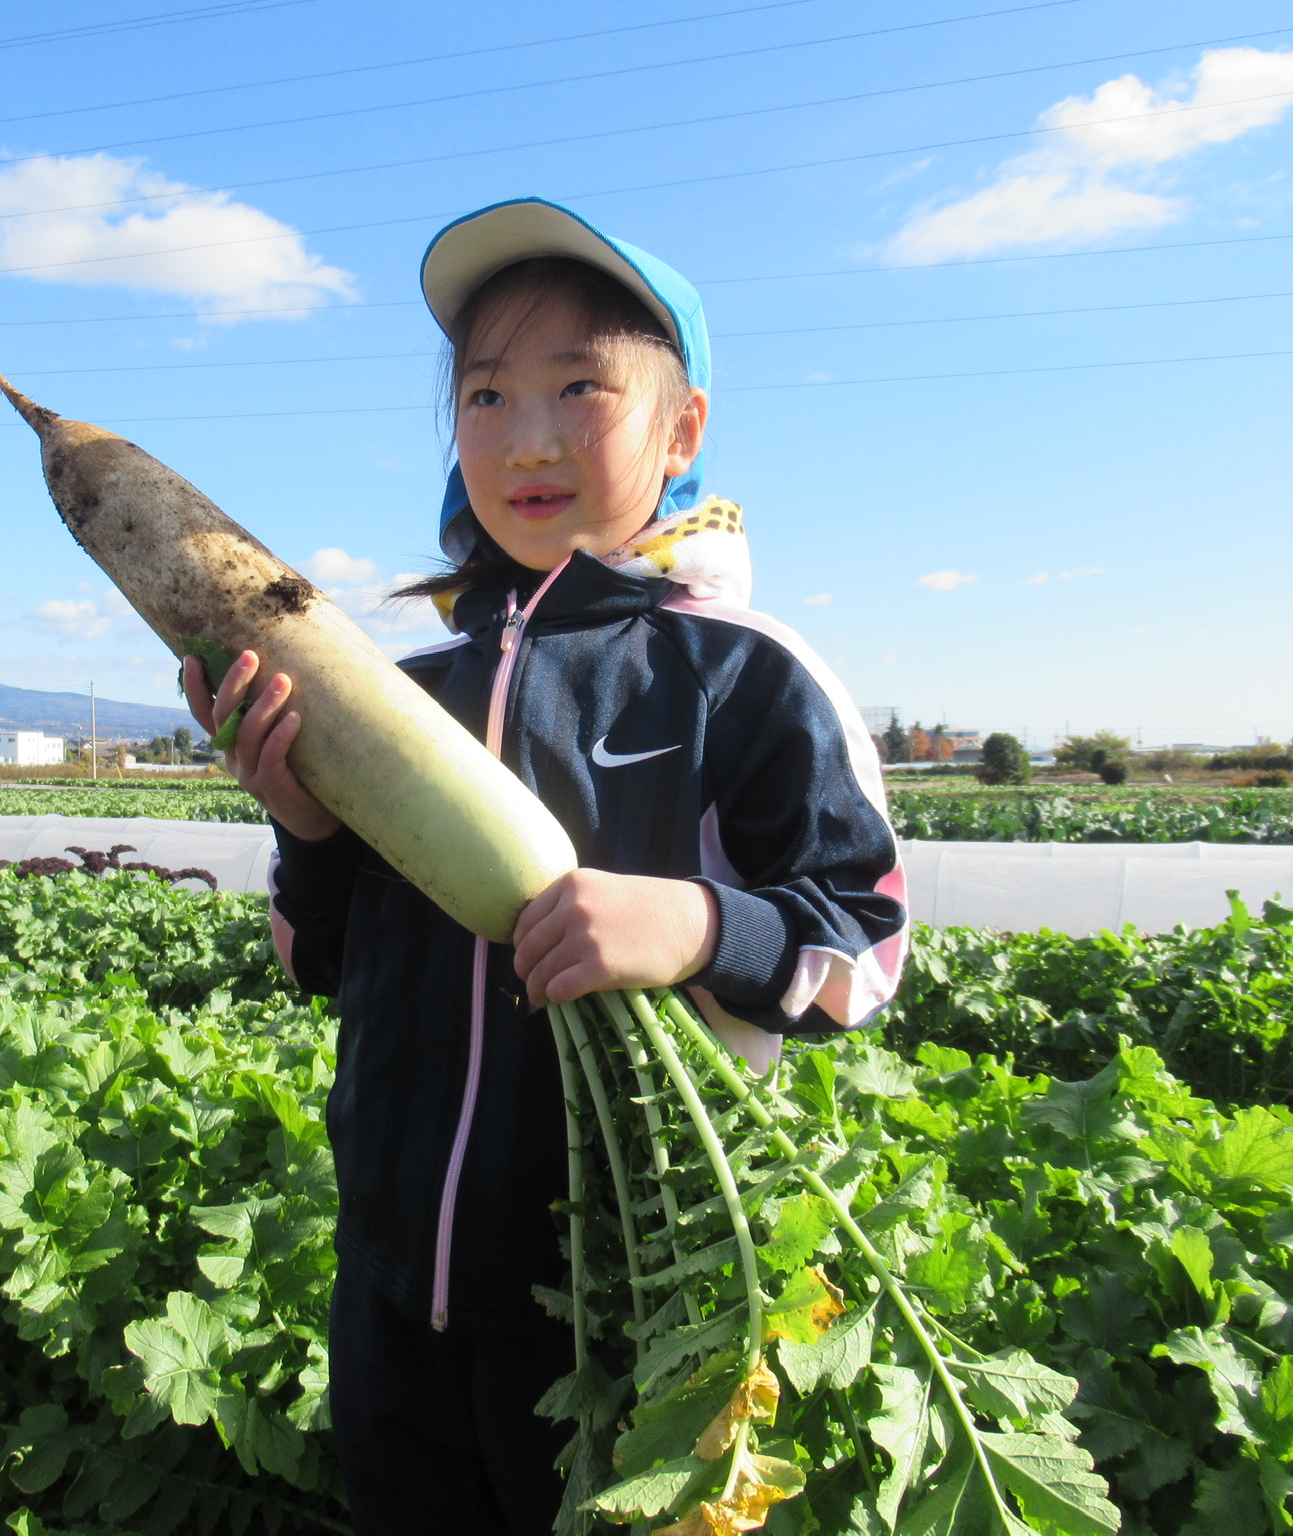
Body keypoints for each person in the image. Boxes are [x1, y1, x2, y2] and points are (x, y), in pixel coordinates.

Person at [184, 197, 908, 1536]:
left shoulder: (743, 673)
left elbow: (865, 950)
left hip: (618, 1305)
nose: (526, 436)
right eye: (485, 395)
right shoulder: (398, 696)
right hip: (396, 1285)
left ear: (683, 427)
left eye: (581, 388)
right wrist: (307, 828)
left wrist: (695, 927)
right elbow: (320, 966)